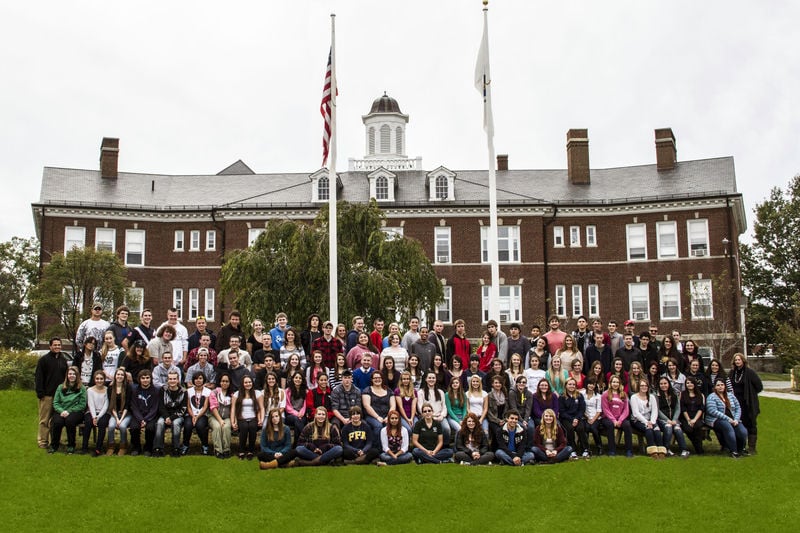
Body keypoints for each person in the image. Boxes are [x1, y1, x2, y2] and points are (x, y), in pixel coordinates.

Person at [35, 338, 68, 449]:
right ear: (50, 346)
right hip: (47, 395)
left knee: (56, 420)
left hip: (60, 396)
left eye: (59, 345)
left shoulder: (63, 360)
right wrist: (40, 393)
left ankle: (54, 440)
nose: (57, 347)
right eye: (55, 345)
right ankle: (43, 441)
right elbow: (39, 377)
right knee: (44, 419)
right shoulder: (44, 360)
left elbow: (65, 378)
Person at [705, 378, 749, 458]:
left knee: (743, 431)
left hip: (733, 419)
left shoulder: (731, 395)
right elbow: (713, 411)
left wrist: (736, 419)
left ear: (725, 386)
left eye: (722, 385)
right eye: (718, 385)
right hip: (716, 420)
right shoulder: (711, 397)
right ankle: (734, 451)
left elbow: (738, 408)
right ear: (715, 387)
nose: (720, 387)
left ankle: (741, 449)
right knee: (728, 427)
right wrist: (728, 419)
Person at [48, 366, 87, 454]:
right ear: (67, 375)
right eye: (70, 374)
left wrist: (69, 411)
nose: (72, 376)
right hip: (61, 410)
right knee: (57, 422)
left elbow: (82, 405)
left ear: (77, 376)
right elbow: (56, 403)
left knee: (70, 421)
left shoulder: (82, 388)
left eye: (74, 374)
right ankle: (54, 445)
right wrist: (61, 411)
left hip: (75, 411)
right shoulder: (60, 387)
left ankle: (71, 445)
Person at [730, 352, 762, 454]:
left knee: (751, 424)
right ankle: (741, 447)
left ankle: (752, 448)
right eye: (736, 360)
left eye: (739, 360)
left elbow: (759, 386)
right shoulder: (732, 373)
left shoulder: (749, 372)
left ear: (743, 360)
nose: (737, 362)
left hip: (748, 403)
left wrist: (751, 394)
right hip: (736, 403)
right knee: (738, 423)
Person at [629, 378, 665, 459]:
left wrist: (652, 422)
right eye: (642, 385)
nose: (644, 387)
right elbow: (636, 413)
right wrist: (646, 423)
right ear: (638, 386)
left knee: (657, 430)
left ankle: (661, 451)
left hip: (650, 419)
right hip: (637, 420)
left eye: (645, 386)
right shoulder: (634, 397)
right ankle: (653, 452)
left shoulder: (652, 397)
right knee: (648, 430)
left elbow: (655, 411)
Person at [155, 370, 188, 457]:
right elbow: (161, 406)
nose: (172, 381)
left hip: (178, 415)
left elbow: (183, 409)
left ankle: (176, 448)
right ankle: (158, 449)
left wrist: (172, 418)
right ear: (167, 380)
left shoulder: (184, 391)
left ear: (178, 380)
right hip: (165, 414)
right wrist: (166, 417)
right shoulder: (163, 390)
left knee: (176, 423)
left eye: (174, 379)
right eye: (170, 379)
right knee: (159, 423)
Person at [231, 375, 264, 460]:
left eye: (249, 382)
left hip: (253, 417)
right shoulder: (237, 394)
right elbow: (233, 409)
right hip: (241, 417)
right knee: (244, 428)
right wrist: (233, 422)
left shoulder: (257, 393)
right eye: (246, 382)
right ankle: (241, 450)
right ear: (242, 384)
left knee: (253, 427)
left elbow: (261, 407)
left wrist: (261, 419)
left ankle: (251, 451)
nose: (248, 384)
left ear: (252, 383)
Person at [657, 376, 689, 457]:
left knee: (677, 428)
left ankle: (684, 450)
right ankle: (666, 449)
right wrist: (667, 420)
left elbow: (678, 408)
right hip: (662, 419)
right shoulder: (656, 395)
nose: (663, 385)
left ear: (668, 384)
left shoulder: (674, 394)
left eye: (665, 383)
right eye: (661, 384)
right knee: (668, 427)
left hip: (674, 419)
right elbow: (657, 410)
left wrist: (674, 419)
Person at [129, 370, 159, 457]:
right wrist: (141, 419)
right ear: (139, 379)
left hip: (151, 416)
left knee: (150, 428)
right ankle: (136, 447)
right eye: (143, 378)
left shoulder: (156, 391)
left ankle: (148, 448)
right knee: (134, 427)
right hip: (138, 415)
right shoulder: (135, 390)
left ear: (151, 379)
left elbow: (155, 407)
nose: (145, 380)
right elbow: (134, 406)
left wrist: (146, 419)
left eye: (147, 378)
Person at [601, 375, 633, 457]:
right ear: (610, 383)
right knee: (610, 425)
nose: (615, 384)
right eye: (614, 382)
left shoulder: (623, 394)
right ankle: (612, 450)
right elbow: (606, 409)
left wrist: (620, 420)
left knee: (627, 425)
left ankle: (629, 450)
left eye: (617, 382)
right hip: (607, 418)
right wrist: (614, 420)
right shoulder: (605, 394)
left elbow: (626, 410)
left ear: (620, 384)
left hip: (620, 418)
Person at [558, 377, 588, 459]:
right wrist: (571, 419)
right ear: (566, 385)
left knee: (581, 428)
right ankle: (572, 450)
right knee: (569, 429)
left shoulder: (579, 395)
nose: (572, 386)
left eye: (573, 384)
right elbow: (562, 411)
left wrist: (577, 418)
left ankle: (585, 449)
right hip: (566, 418)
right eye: (570, 384)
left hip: (577, 418)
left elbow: (582, 409)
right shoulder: (562, 396)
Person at [81, 370, 109, 455]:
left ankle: (98, 448)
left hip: (103, 412)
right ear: (94, 379)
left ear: (104, 380)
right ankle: (84, 447)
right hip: (91, 412)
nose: (99, 380)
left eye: (101, 379)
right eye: (97, 379)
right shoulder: (90, 390)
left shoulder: (108, 390)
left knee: (102, 423)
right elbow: (91, 404)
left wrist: (98, 417)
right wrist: (94, 417)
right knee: (88, 423)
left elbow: (106, 405)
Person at [106, 367, 133, 456]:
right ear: (115, 376)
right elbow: (111, 405)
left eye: (122, 375)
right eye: (118, 374)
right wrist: (117, 418)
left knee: (122, 426)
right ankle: (111, 446)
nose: (120, 376)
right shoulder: (110, 388)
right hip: (114, 413)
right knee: (111, 426)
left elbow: (127, 405)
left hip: (126, 413)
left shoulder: (128, 388)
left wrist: (120, 420)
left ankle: (123, 446)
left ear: (124, 377)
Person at [362, 372, 396, 439]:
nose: (377, 379)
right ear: (372, 380)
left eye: (379, 378)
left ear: (382, 379)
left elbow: (393, 406)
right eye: (375, 378)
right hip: (372, 416)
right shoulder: (367, 390)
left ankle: (389, 446)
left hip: (386, 416)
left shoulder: (389, 391)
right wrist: (377, 417)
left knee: (389, 424)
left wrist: (388, 417)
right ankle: (377, 446)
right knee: (378, 426)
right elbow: (367, 406)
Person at [185, 371, 212, 455]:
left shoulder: (208, 391)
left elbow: (205, 406)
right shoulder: (188, 391)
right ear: (193, 380)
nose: (198, 380)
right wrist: (193, 416)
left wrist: (197, 416)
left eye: (200, 378)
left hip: (203, 414)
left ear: (203, 380)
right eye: (196, 379)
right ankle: (185, 445)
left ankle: (205, 446)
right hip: (190, 414)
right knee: (188, 425)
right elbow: (188, 406)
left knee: (200, 426)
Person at [209, 372, 233, 459]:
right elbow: (213, 408)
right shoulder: (214, 393)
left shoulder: (232, 394)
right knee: (217, 427)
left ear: (229, 383)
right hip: (214, 417)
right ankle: (218, 450)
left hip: (227, 417)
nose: (225, 383)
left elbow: (233, 408)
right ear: (220, 382)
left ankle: (226, 449)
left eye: (227, 381)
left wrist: (233, 421)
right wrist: (220, 420)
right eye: (223, 381)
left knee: (226, 427)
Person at [680, 377, 706, 455]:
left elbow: (701, 409)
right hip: (685, 418)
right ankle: (697, 446)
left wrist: (694, 419)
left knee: (697, 427)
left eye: (691, 383)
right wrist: (688, 419)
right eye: (687, 383)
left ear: (694, 384)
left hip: (697, 417)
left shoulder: (700, 395)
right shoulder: (683, 394)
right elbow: (683, 408)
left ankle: (699, 450)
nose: (689, 384)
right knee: (689, 429)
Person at [284, 371, 308, 446]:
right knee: (297, 420)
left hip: (302, 414)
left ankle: (296, 445)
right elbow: (287, 406)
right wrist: (297, 414)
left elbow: (305, 405)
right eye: (296, 377)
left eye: (300, 378)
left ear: (302, 380)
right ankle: (304, 440)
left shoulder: (306, 391)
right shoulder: (287, 391)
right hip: (290, 415)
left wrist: (301, 413)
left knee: (298, 422)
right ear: (293, 379)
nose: (298, 379)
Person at [582, 378, 603, 455]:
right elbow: (581, 407)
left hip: (596, 417)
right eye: (590, 384)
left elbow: (599, 410)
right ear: (587, 385)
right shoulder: (582, 394)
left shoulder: (598, 396)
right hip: (585, 416)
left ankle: (599, 447)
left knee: (594, 428)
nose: (591, 386)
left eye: (593, 384)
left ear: (595, 386)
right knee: (586, 428)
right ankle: (586, 449)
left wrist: (593, 419)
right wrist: (587, 417)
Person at [486, 375, 507, 440]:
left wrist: (504, 420)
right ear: (492, 384)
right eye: (496, 383)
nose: (498, 384)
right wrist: (498, 421)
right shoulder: (489, 395)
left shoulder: (505, 393)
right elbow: (488, 411)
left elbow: (507, 409)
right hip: (493, 419)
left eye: (499, 383)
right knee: (498, 431)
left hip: (504, 418)